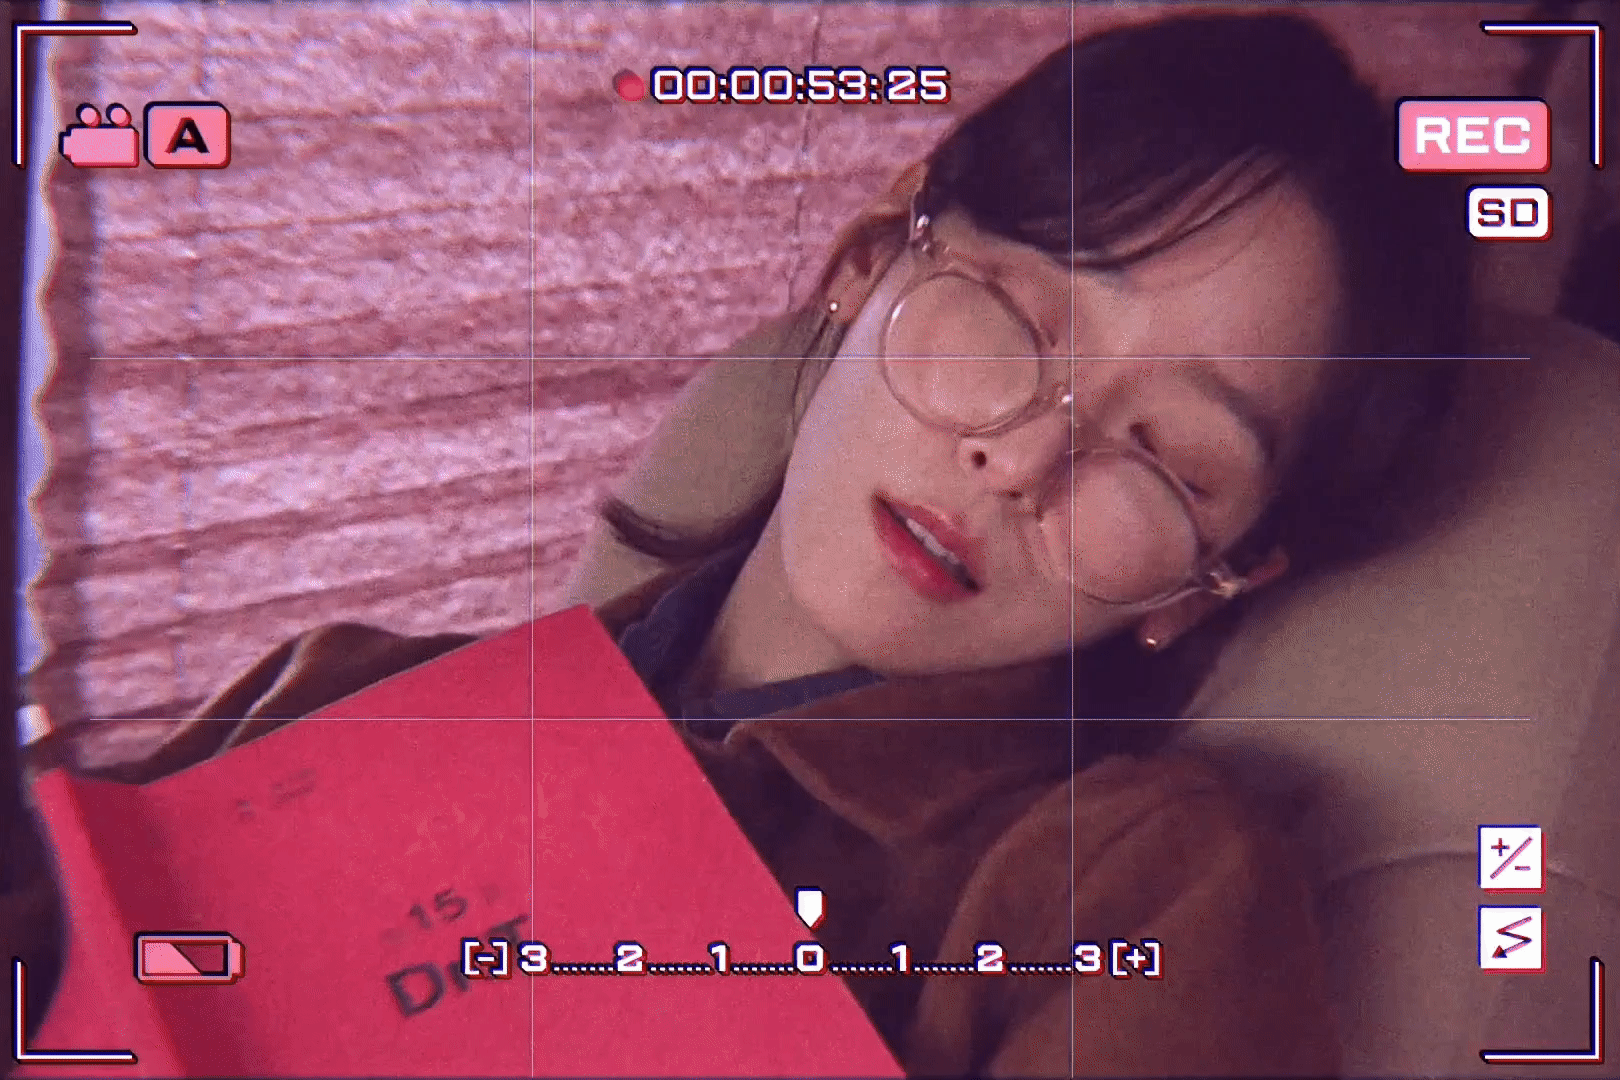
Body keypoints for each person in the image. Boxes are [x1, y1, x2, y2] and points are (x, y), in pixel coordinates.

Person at [18, 11, 1472, 1077]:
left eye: (1163, 458)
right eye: (1020, 319)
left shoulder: (1129, 886)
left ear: (1208, 587)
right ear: (870, 262)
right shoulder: (350, 694)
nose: (1024, 458)